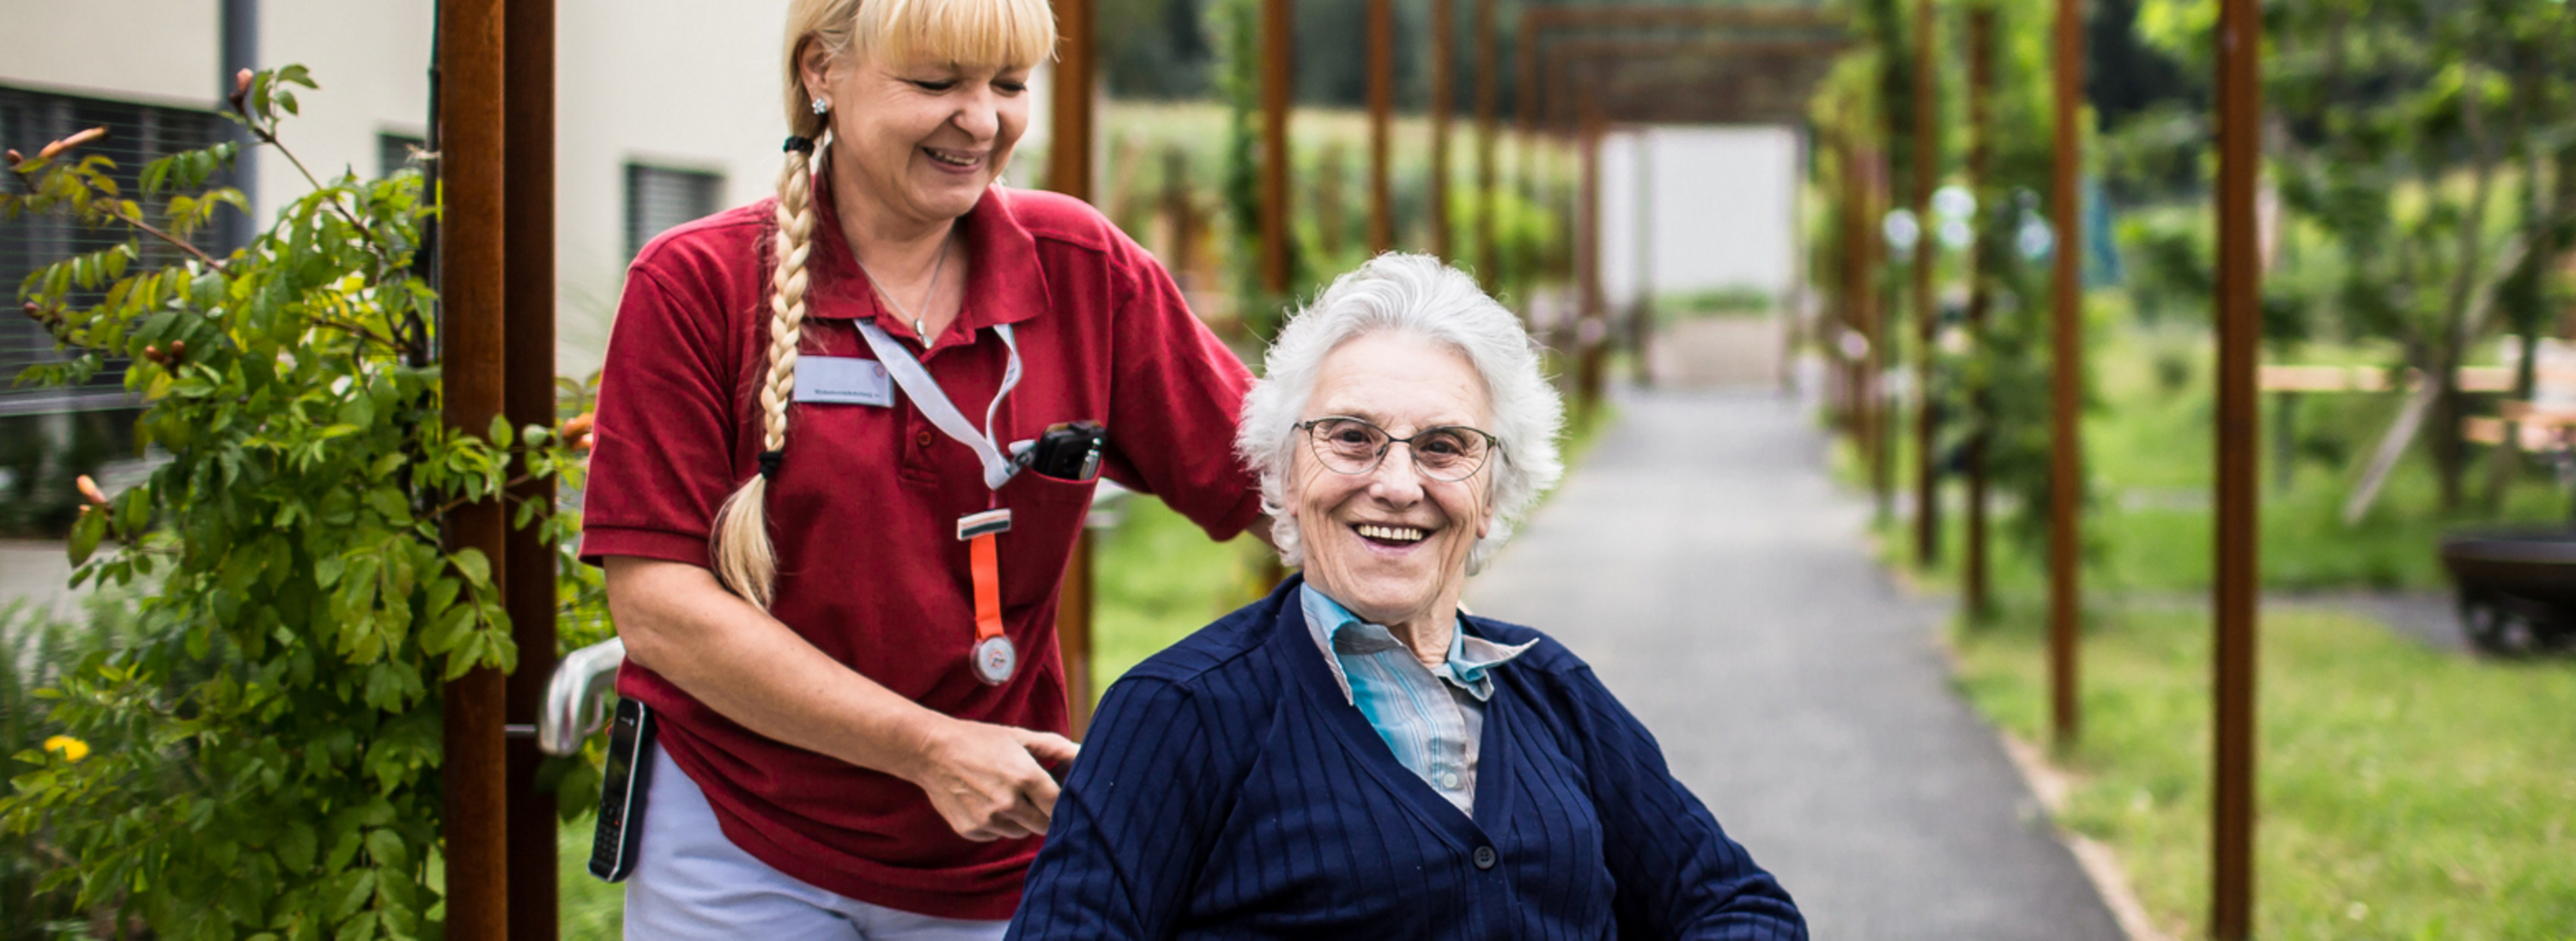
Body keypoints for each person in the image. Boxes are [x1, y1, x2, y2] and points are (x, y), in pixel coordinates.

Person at [579, 0, 1261, 935]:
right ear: (823, 73)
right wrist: (930, 749)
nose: (981, 122)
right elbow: (660, 608)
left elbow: (1273, 480)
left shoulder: (1083, 270)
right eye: (936, 83)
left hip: (990, 843)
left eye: (1010, 86)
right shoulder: (697, 284)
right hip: (738, 831)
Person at [1008, 254, 1809, 939]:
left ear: (1493, 492)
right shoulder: (1177, 713)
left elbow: (1740, 908)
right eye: (1350, 437)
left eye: (1444, 447)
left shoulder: (1551, 689)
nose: (1396, 485)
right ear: (1283, 476)